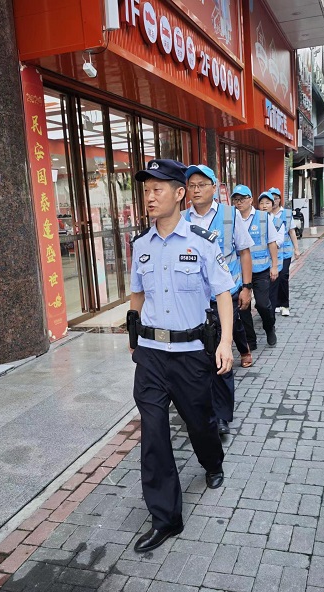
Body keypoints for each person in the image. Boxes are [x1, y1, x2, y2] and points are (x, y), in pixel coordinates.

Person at [128, 158, 235, 552]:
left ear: (179, 194)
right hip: (151, 355)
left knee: (200, 422)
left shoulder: (201, 241)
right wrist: (133, 335)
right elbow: (137, 294)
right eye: (146, 190)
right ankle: (166, 518)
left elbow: (223, 293)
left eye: (157, 189)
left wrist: (224, 342)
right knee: (153, 433)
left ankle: (212, 462)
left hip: (190, 353)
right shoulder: (140, 245)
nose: (149, 196)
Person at [183, 164, 255, 435]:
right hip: (192, 302)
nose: (196, 190)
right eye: (192, 185)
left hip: (222, 298)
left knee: (221, 354)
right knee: (194, 360)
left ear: (214, 187)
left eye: (202, 184)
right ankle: (199, 410)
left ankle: (222, 416)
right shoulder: (181, 218)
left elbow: (244, 252)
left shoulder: (230, 215)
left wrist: (246, 287)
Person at [234, 187, 281, 348]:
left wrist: (274, 266)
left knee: (262, 304)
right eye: (236, 199)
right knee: (243, 307)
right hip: (240, 272)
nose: (239, 202)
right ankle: (250, 340)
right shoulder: (232, 218)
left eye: (242, 199)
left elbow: (272, 242)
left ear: (250, 199)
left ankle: (269, 327)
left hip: (261, 270)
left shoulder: (263, 217)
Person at [266, 187, 300, 317]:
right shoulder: (265, 214)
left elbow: (292, 231)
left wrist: (296, 249)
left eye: (276, 198)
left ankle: (285, 305)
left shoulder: (286, 213)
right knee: (273, 278)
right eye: (271, 199)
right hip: (271, 254)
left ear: (280, 199)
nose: (274, 201)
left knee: (283, 276)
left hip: (285, 252)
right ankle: (275, 304)